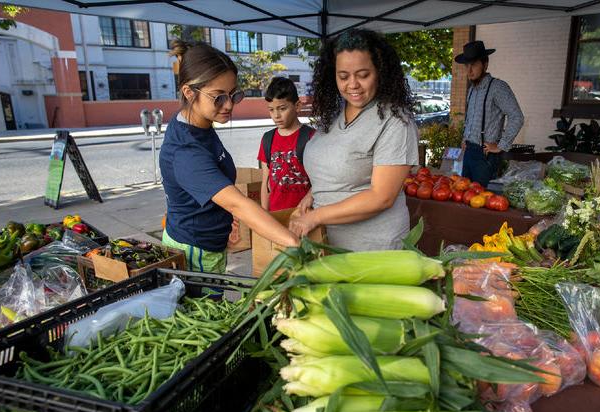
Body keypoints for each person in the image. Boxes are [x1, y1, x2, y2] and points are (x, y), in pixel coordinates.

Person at [160, 41, 298, 273]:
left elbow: (215, 191)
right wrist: (293, 242)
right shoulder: (186, 151)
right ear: (188, 92)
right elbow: (238, 203)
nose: (228, 105)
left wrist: (223, 219)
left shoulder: (197, 122)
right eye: (218, 97)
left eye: (233, 95)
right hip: (196, 250)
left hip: (210, 242)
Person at [289, 29, 418, 251]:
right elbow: (335, 166)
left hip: (373, 249)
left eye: (363, 74)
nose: (353, 84)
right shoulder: (335, 115)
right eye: (343, 76)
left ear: (380, 72)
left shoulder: (396, 121)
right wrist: (312, 195)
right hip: (328, 244)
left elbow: (381, 197)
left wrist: (316, 216)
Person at [455, 40, 524, 187]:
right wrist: (465, 138)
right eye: (467, 65)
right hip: (468, 152)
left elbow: (517, 117)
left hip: (485, 156)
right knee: (464, 197)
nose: (469, 70)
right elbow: (470, 119)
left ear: (485, 64)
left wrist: (501, 145)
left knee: (481, 200)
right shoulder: (472, 89)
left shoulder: (498, 87)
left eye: (473, 64)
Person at [258, 77, 315, 211]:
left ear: (297, 106)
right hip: (276, 218)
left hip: (306, 217)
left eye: (282, 108)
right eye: (271, 110)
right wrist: (265, 215)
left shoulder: (311, 137)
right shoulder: (267, 139)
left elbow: (323, 181)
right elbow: (265, 183)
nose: (276, 115)